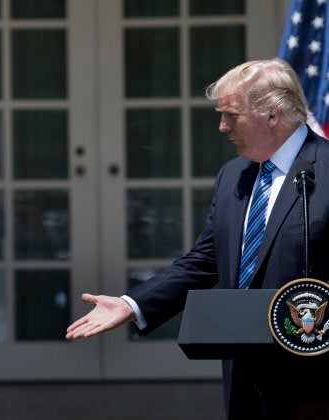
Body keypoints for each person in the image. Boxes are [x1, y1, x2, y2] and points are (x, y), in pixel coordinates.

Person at [66, 58, 329, 420]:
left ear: (272, 115)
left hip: (313, 382)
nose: (222, 127)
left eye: (232, 115)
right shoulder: (234, 175)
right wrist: (133, 304)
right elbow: (205, 260)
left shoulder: (325, 170)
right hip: (243, 375)